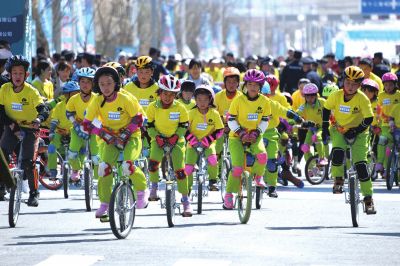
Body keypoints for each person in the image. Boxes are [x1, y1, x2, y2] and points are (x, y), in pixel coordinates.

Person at [83, 66, 148, 219]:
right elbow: (87, 123)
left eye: (109, 83)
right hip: (110, 138)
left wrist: (125, 134)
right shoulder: (97, 100)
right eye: (102, 84)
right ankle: (104, 204)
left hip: (131, 136)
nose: (105, 87)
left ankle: (141, 191)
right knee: (103, 168)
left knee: (127, 165)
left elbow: (138, 119)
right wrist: (104, 134)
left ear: (116, 84)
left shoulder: (125, 98)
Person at [322, 66, 376, 214]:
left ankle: (368, 198)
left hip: (360, 132)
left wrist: (356, 130)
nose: (350, 87)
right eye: (347, 82)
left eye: (354, 84)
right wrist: (325, 128)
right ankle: (338, 179)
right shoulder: (336, 95)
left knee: (361, 166)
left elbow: (369, 118)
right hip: (339, 129)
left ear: (359, 85)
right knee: (338, 152)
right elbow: (326, 109)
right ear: (342, 82)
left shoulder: (362, 98)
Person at [0, 55, 50, 206]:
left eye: (21, 73)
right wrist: (13, 126)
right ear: (9, 75)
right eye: (14, 73)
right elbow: (1, 111)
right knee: (2, 154)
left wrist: (39, 119)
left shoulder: (31, 91)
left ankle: (34, 193)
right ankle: (2, 186)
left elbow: (43, 109)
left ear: (26, 75)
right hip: (12, 125)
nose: (17, 76)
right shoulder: (4, 88)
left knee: (28, 162)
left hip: (30, 128)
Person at [223, 69, 271, 209]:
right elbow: (230, 119)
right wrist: (241, 132)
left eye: (256, 85)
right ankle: (229, 196)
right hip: (237, 137)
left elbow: (265, 120)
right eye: (250, 84)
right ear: (245, 85)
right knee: (237, 169)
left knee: (262, 156)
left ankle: (257, 177)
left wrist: (256, 132)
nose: (253, 87)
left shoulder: (265, 101)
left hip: (255, 135)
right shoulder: (238, 100)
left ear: (260, 86)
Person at [146, 74, 192, 217]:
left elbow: (184, 125)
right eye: (165, 93)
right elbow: (149, 126)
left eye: (171, 94)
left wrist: (177, 136)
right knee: (153, 164)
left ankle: (185, 202)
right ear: (160, 92)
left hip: (176, 141)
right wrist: (156, 137)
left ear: (176, 95)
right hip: (158, 139)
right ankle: (153, 188)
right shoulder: (153, 107)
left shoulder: (180, 108)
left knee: (180, 172)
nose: (167, 97)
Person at [185, 84, 224, 191]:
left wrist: (208, 140)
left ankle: (213, 181)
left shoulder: (214, 113)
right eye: (199, 99)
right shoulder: (191, 113)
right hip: (192, 143)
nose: (202, 103)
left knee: (212, 159)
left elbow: (220, 130)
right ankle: (187, 188)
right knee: (188, 167)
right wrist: (193, 141)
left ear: (210, 100)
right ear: (195, 100)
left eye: (205, 99)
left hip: (209, 143)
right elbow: (184, 129)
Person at [65, 67, 100, 182]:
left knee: (96, 158)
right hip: (78, 127)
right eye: (82, 81)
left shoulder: (98, 98)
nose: (85, 84)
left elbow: (103, 114)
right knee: (72, 154)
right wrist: (75, 123)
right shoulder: (74, 99)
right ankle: (76, 169)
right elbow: (69, 112)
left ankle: (98, 177)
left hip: (95, 128)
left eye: (88, 82)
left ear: (93, 84)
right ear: (78, 82)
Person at [47, 81, 79, 179]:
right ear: (66, 94)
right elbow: (54, 120)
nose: (76, 95)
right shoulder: (59, 105)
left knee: (80, 149)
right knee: (51, 147)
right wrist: (51, 132)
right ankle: (52, 170)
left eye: (77, 92)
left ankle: (77, 170)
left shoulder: (79, 104)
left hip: (74, 131)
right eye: (73, 93)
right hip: (60, 131)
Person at [297, 83, 328, 166]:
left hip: (322, 127)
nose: (310, 99)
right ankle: (311, 167)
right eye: (307, 97)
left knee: (317, 137)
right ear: (305, 97)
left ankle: (322, 158)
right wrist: (291, 121)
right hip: (311, 129)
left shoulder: (322, 102)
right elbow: (296, 114)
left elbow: (331, 111)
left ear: (316, 95)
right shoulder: (303, 106)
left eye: (312, 96)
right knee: (304, 147)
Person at [375, 72, 400, 175]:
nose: (388, 87)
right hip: (385, 125)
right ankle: (381, 164)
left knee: (394, 149)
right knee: (383, 140)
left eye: (390, 85)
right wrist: (377, 121)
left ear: (395, 84)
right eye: (386, 85)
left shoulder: (399, 94)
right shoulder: (381, 95)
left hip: (397, 125)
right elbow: (378, 110)